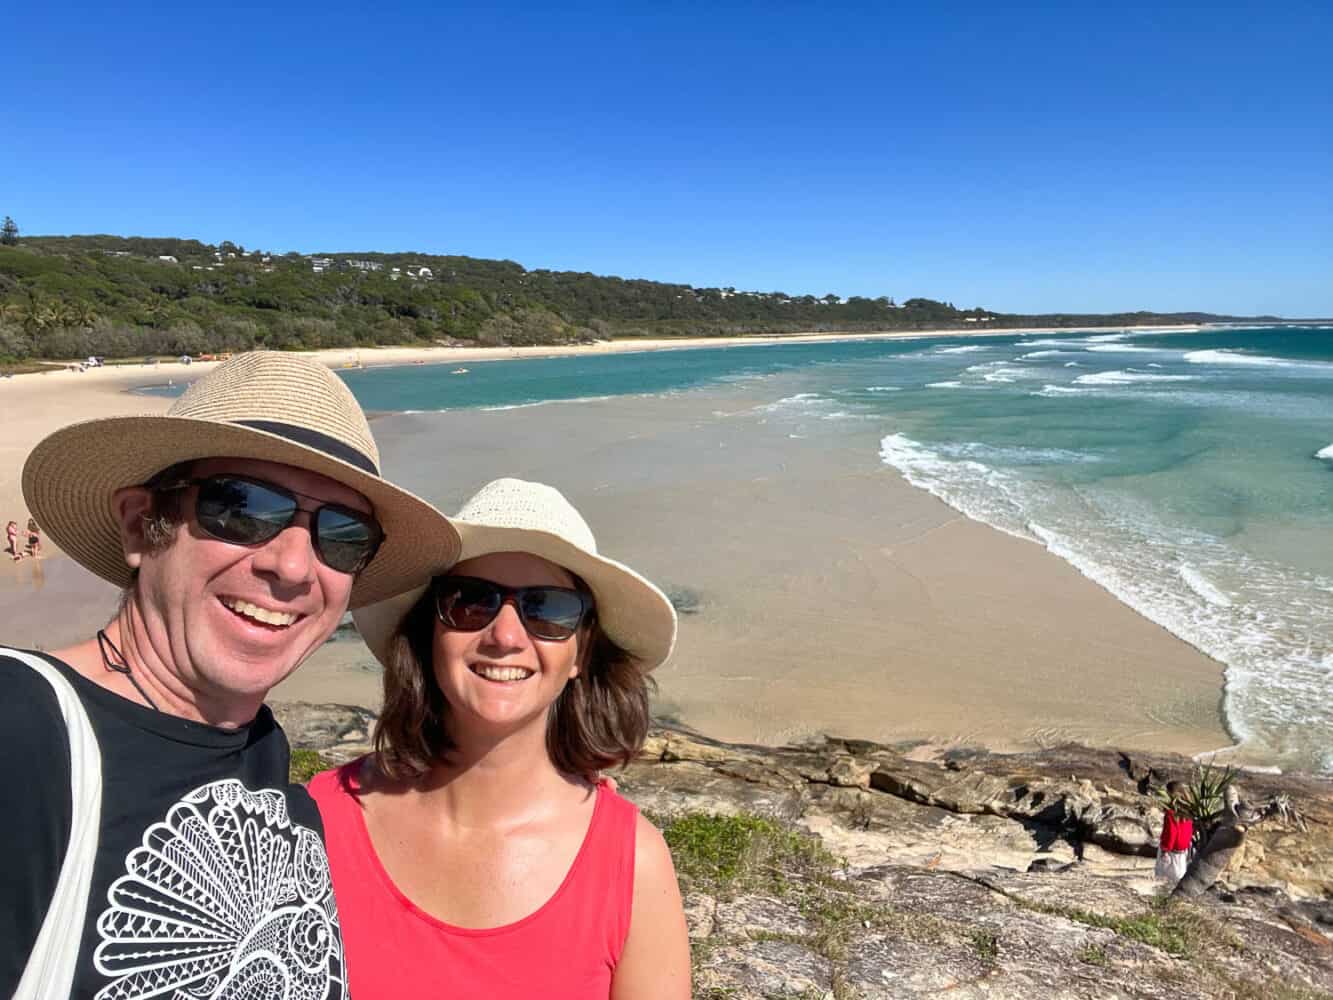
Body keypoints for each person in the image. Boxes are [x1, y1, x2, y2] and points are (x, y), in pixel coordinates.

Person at [0, 351, 460, 999]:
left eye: (344, 536)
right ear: (141, 525)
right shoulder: (22, 731)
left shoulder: (264, 760)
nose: (295, 566)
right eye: (243, 508)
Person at [309, 478, 691, 999]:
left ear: (581, 652)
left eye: (547, 610)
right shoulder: (319, 819)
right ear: (429, 632)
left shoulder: (631, 864)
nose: (506, 637)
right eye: (471, 602)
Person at [1155, 780, 1194, 888]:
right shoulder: (1189, 811)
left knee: (1162, 880)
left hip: (1171, 851)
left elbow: (1171, 832)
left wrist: (1165, 850)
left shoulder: (1171, 813)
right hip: (1183, 851)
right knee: (1178, 878)